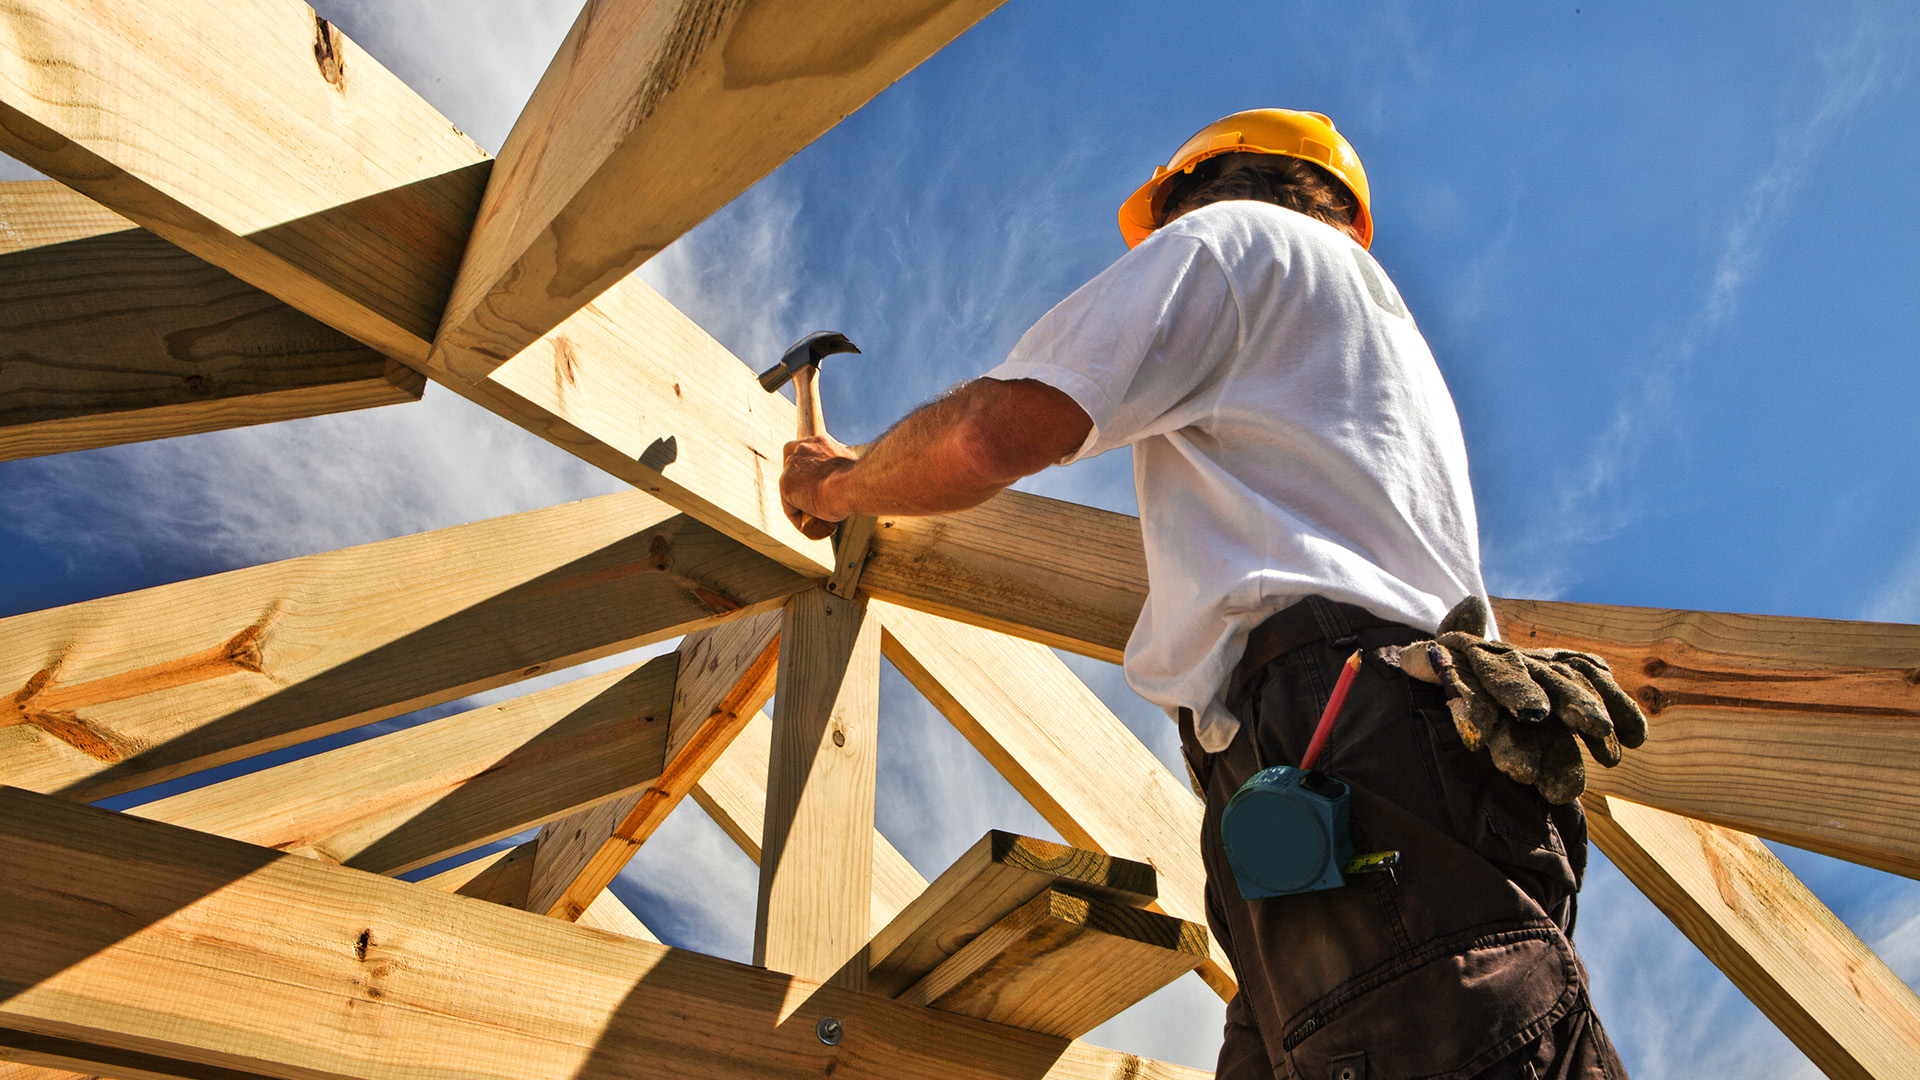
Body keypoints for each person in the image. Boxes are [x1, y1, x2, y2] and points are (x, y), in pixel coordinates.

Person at [779, 109, 1623, 1079]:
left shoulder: (1233, 243)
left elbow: (987, 436)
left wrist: (835, 484)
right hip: (1375, 760)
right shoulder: (1366, 337)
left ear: (1197, 190)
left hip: (1339, 734)